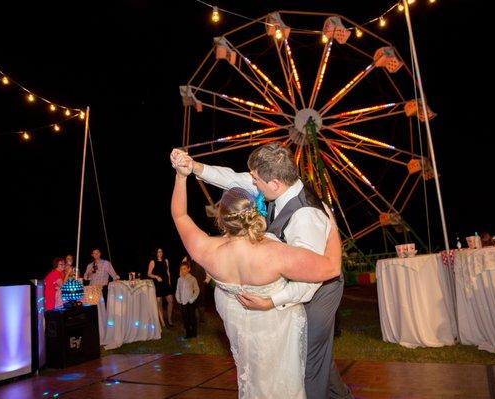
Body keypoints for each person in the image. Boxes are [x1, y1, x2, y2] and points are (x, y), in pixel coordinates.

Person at [172, 143, 352, 399]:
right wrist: (194, 168)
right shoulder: (274, 183)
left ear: (275, 183)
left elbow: (314, 277)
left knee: (307, 363)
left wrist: (272, 301)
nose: (252, 184)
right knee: (314, 361)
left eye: (255, 180)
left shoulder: (306, 217)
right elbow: (235, 179)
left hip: (317, 289)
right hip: (283, 277)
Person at [147, 248, 174, 327]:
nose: (160, 253)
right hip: (158, 284)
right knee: (159, 303)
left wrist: (169, 282)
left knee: (171, 301)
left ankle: (169, 319)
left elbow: (168, 272)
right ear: (156, 253)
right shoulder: (153, 262)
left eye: (161, 251)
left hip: (166, 283)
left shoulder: (166, 261)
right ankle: (162, 322)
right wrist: (156, 276)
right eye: (158, 251)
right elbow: (149, 273)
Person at [175, 260, 199, 339]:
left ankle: (194, 332)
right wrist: (178, 298)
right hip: (183, 302)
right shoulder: (179, 279)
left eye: (184, 269)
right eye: (181, 269)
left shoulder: (193, 279)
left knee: (192, 318)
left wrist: (192, 299)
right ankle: (188, 333)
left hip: (190, 302)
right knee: (185, 318)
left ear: (189, 269)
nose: (183, 270)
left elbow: (197, 290)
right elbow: (178, 290)